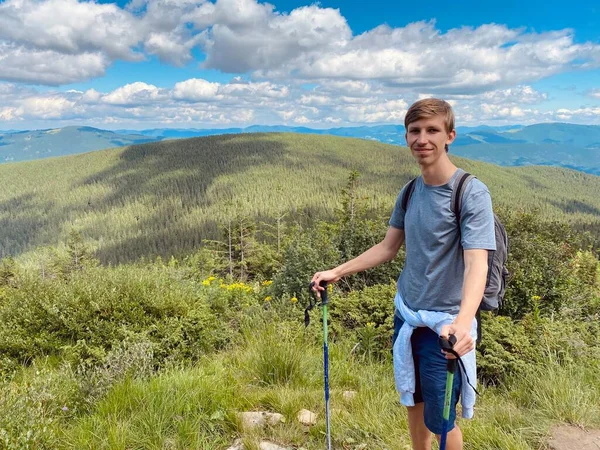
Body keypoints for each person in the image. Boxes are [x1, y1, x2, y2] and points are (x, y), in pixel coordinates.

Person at [311, 98, 496, 450]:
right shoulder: (410, 191)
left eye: (432, 131)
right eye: (414, 131)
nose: (422, 139)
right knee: (412, 399)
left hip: (444, 326)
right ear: (406, 137)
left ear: (449, 136)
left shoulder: (470, 192)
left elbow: (477, 264)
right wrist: (337, 271)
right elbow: (387, 247)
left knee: (440, 419)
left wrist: (463, 321)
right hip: (408, 315)